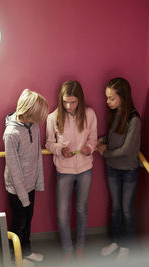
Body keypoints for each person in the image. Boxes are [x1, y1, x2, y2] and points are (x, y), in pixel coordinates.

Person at [45, 80, 97, 261]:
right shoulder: (53, 117)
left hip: (85, 170)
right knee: (62, 213)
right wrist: (60, 149)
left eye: (73, 102)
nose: (69, 106)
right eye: (66, 101)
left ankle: (80, 246)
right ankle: (67, 249)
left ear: (80, 100)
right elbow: (49, 143)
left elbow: (93, 138)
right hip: (64, 171)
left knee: (82, 209)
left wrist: (89, 148)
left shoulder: (89, 114)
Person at [3, 89, 49, 266]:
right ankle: (15, 258)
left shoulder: (34, 125)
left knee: (28, 219)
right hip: (16, 189)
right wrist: (23, 197)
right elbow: (13, 170)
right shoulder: (11, 134)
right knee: (18, 223)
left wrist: (38, 182)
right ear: (28, 113)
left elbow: (37, 154)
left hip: (30, 185)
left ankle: (27, 251)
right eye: (36, 117)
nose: (38, 121)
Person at [97, 78, 141, 260]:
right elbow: (115, 138)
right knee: (116, 207)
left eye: (111, 98)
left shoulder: (134, 119)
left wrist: (105, 153)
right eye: (107, 98)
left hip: (128, 170)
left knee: (127, 209)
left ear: (123, 97)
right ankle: (115, 241)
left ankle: (127, 245)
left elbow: (127, 150)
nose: (108, 102)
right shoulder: (116, 114)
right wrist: (103, 141)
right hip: (112, 169)